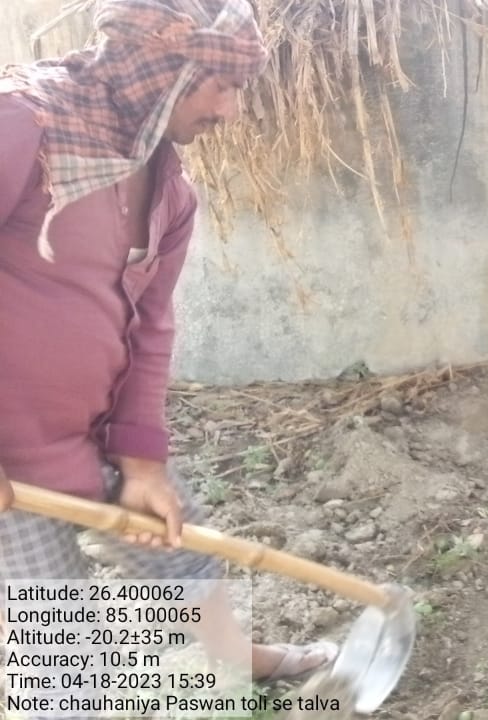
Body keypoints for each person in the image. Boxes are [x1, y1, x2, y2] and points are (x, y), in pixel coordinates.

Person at [0, 0, 336, 710]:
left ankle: (231, 657)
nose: (230, 111)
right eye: (222, 85)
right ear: (162, 67)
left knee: (183, 552)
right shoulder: (24, 126)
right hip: (12, 464)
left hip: (95, 435)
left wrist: (142, 462)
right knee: (57, 654)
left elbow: (150, 327)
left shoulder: (168, 189)